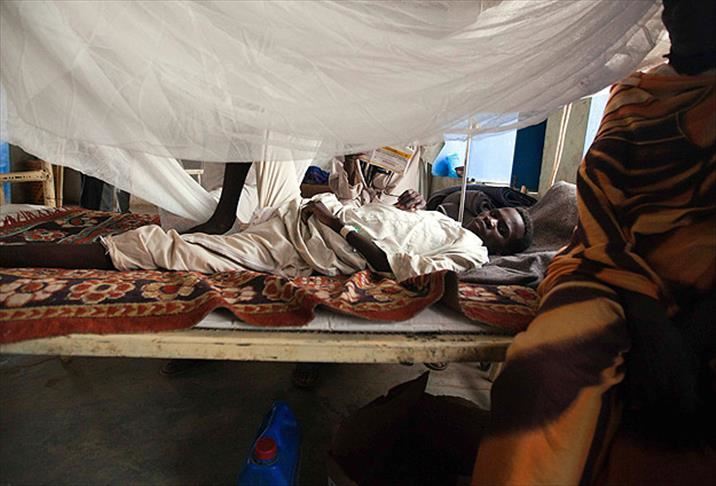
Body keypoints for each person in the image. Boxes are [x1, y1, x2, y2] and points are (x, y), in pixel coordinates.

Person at [471, 0, 715, 483]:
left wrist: (693, 335)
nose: (681, 13)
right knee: (545, 371)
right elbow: (599, 206)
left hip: (705, 285)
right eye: (674, 2)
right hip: (609, 270)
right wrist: (650, 322)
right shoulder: (633, 97)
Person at [0, 159, 533, 278]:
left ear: (504, 247)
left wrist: (341, 225)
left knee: (164, 249)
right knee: (272, 119)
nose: (491, 222)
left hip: (301, 246)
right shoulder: (440, 218)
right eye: (496, 215)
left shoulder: (471, 254)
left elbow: (398, 267)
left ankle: (14, 253)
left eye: (503, 228)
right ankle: (224, 214)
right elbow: (384, 221)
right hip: (296, 209)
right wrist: (395, 207)